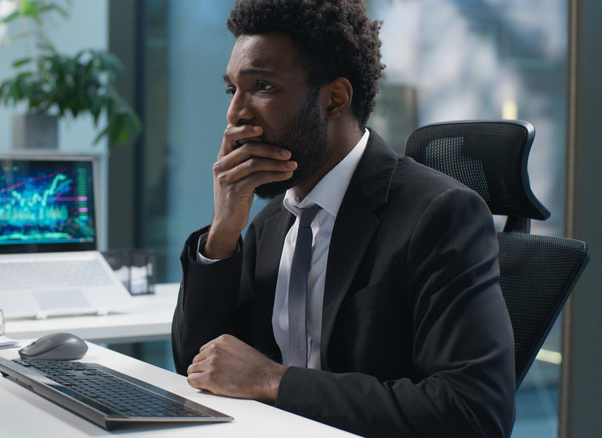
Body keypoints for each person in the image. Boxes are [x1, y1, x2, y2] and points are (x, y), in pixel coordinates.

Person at [170, 0, 516, 437]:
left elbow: (473, 412)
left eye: (262, 86)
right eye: (231, 90)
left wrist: (273, 381)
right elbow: (198, 365)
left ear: (335, 99)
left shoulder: (440, 216)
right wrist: (222, 234)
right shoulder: (271, 222)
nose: (235, 113)